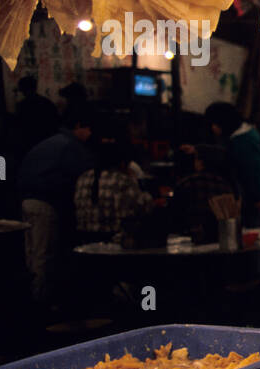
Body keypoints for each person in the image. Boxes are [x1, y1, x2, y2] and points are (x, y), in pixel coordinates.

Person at [17, 108, 95, 304]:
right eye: (88, 129)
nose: (90, 134)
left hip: (26, 202)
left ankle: (32, 300)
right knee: (43, 255)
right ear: (78, 127)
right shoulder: (70, 146)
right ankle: (39, 303)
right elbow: (81, 178)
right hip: (44, 204)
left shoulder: (52, 142)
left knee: (32, 254)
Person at [204, 101, 260, 226]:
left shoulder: (243, 142)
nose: (213, 128)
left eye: (214, 123)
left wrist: (257, 198)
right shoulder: (243, 136)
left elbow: (253, 172)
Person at [74, 136, 156, 246]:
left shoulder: (83, 178)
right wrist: (135, 180)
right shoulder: (122, 180)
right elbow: (145, 208)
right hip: (114, 242)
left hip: (84, 242)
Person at [170, 144, 236, 242]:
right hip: (220, 237)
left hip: (190, 237)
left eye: (197, 158)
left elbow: (175, 215)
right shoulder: (225, 185)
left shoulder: (186, 183)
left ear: (202, 162)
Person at [14, 76, 58, 154]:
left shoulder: (22, 105)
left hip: (30, 142)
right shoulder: (46, 102)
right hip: (47, 140)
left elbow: (20, 125)